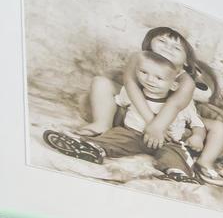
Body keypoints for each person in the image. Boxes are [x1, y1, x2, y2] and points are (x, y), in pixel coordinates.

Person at [41, 48, 201, 181]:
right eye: (144, 72)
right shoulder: (131, 93)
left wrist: (198, 137)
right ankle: (92, 149)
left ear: (173, 86)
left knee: (175, 154)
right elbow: (114, 103)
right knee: (116, 137)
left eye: (159, 78)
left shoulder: (183, 103)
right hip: (133, 134)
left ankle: (177, 173)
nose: (150, 80)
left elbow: (197, 123)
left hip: (167, 141)